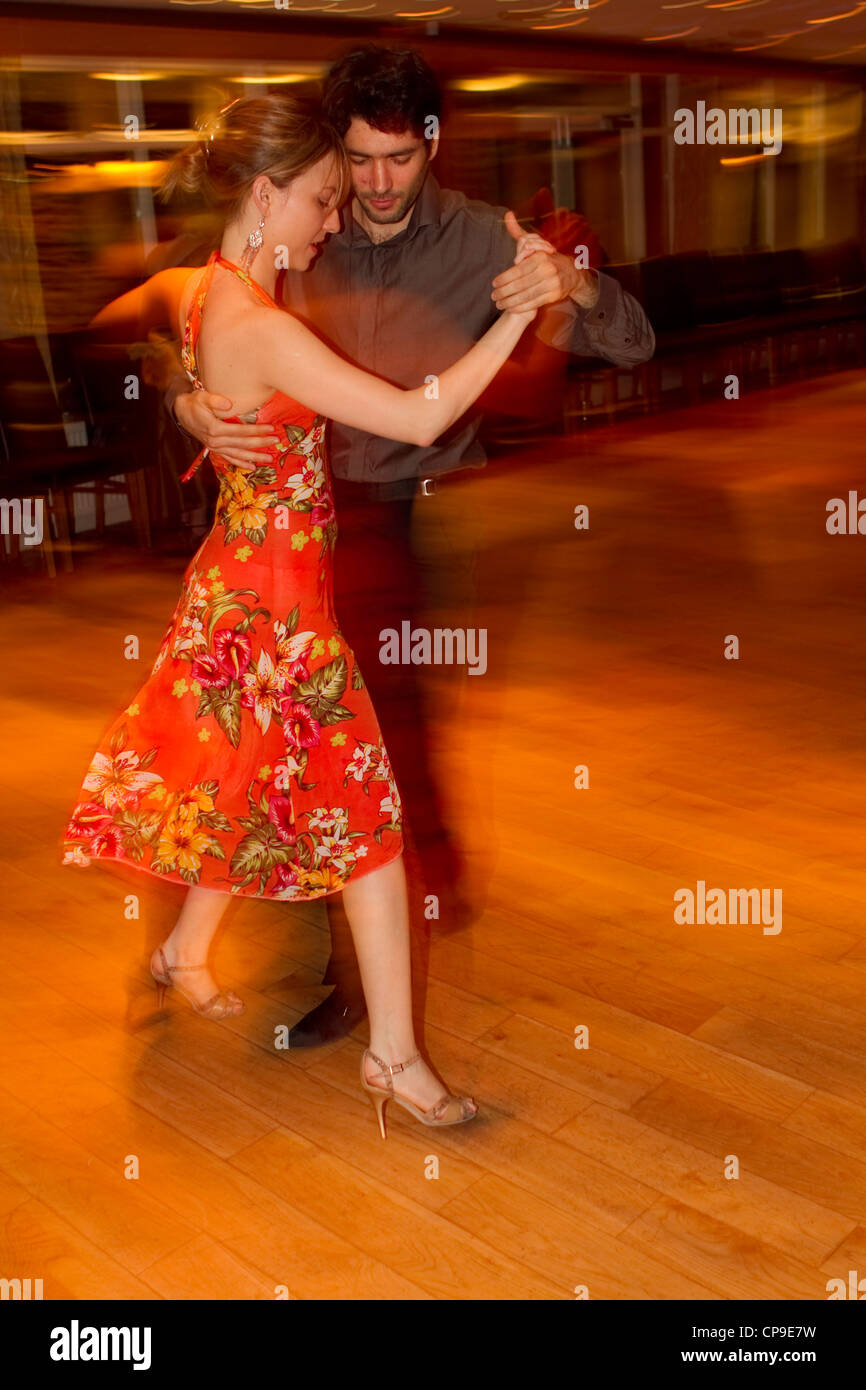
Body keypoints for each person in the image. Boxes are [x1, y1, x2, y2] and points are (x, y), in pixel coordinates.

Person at [62, 92, 543, 1137]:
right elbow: (420, 413)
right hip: (278, 617)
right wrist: (518, 311)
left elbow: (121, 322)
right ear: (266, 191)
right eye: (322, 199)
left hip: (236, 585)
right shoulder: (260, 326)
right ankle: (394, 1058)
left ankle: (185, 951)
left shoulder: (200, 290)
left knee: (238, 781)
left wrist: (181, 390)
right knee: (369, 830)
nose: (333, 220)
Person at [170, 45, 656, 1049]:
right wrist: (186, 402)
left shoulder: (482, 237)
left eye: (398, 158)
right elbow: (170, 315)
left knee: (376, 753)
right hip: (275, 531)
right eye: (357, 164)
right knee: (255, 745)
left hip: (384, 520)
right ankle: (287, 946)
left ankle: (357, 975)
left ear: (429, 144)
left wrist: (572, 286)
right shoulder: (303, 222)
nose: (376, 186)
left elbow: (633, 341)